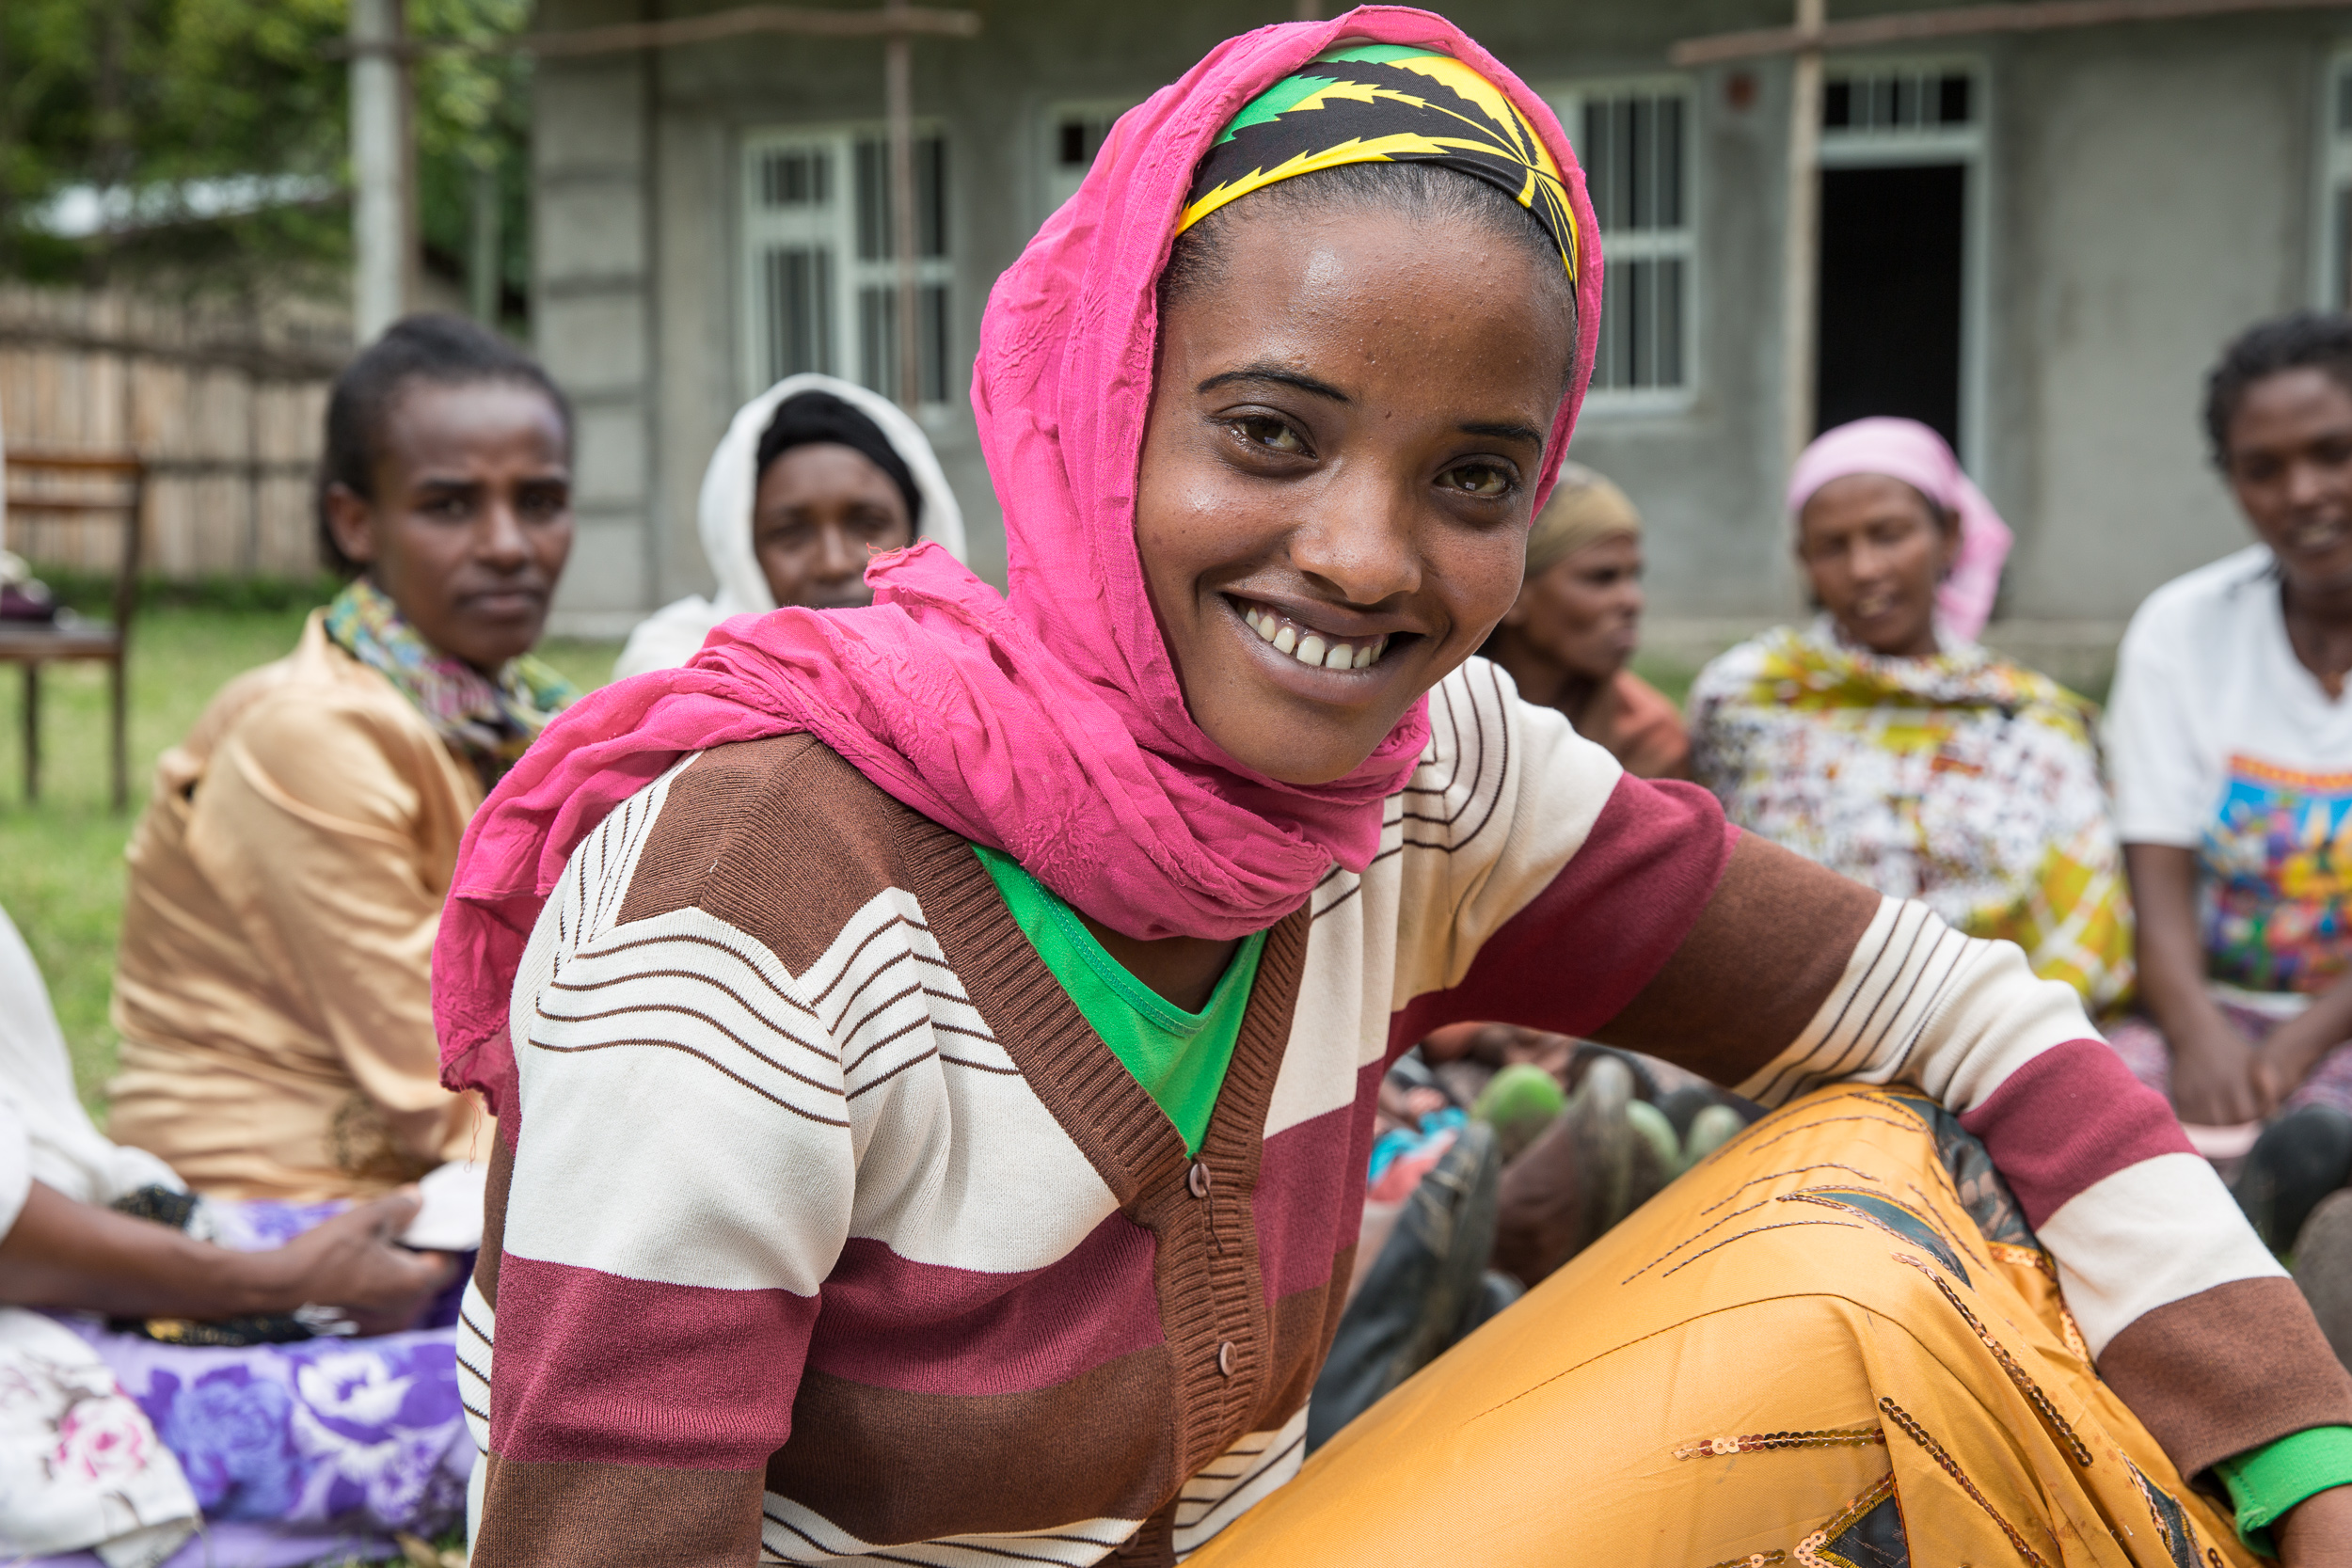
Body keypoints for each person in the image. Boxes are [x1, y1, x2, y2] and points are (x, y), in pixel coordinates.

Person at [437, 18, 2350, 1566]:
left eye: (1469, 477)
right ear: (1097, 406)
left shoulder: (1422, 783)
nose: (1362, 558)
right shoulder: (751, 898)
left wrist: (2297, 1451)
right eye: (1268, 432)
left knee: (1866, 1211)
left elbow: (1960, 1018)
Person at [103, 315, 577, 1201]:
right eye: (450, 505)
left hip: (443, 1179)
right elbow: (437, 1081)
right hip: (276, 1205)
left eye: (541, 501)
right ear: (355, 522)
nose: (511, 544)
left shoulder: (523, 719)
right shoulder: (311, 734)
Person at [0, 900, 464, 1564]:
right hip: (39, 1316)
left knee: (471, 1254)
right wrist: (277, 1282)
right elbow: (409, 1036)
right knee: (539, 1382)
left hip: (83, 1225)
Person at [1689, 417, 2134, 1018]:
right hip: (1793, 1028)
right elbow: (1719, 896)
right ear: (1804, 560)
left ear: (1949, 535)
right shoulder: (1746, 699)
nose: (1865, 568)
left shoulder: (2033, 724)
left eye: (1890, 534)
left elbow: (2084, 927)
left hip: (2003, 1034)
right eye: (1832, 547)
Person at [2106, 312, 2352, 1239]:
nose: (2305, 492)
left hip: (2332, 1023)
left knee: (2315, 1134)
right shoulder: (2182, 629)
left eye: (2334, 452)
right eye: (2264, 468)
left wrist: (2303, 1036)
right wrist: (2194, 1026)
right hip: (2210, 1006)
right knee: (2090, 1103)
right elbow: (2155, 865)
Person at [612, 373, 966, 679]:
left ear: (921, 531)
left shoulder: (982, 671)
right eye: (790, 533)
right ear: (743, 550)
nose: (834, 563)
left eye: (868, 525)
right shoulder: (680, 667)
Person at [1479, 462, 1686, 778]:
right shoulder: (1421, 719)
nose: (1633, 601)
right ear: (1513, 592)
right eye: (1602, 578)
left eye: (1634, 576)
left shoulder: (1647, 738)